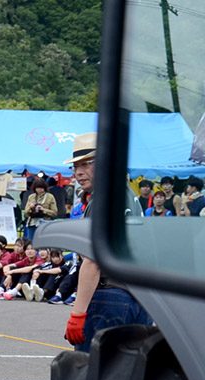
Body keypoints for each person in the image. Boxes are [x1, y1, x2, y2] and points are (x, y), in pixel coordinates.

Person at [63, 133, 153, 353]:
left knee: (92, 377)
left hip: (110, 296)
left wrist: (77, 314)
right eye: (75, 167)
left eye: (85, 164)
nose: (78, 173)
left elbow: (93, 261)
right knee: (123, 378)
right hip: (138, 297)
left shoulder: (102, 198)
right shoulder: (127, 194)